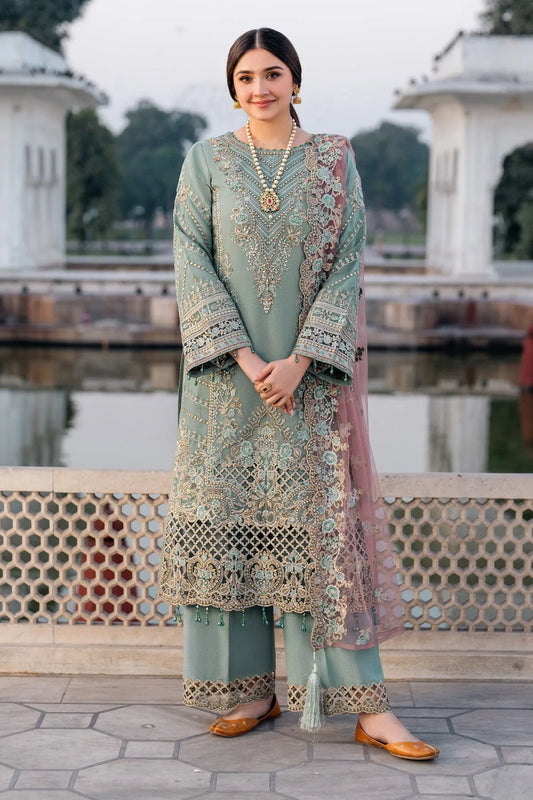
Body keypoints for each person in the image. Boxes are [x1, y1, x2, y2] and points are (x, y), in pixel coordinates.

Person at [158, 27, 439, 761]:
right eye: (246, 76)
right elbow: (189, 259)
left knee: (324, 544)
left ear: (295, 80)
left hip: (307, 390)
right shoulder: (207, 161)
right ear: (232, 87)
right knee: (229, 531)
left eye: (272, 73)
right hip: (226, 386)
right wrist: (249, 358)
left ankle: (364, 706)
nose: (260, 87)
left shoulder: (331, 162)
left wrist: (301, 360)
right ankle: (247, 691)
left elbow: (348, 263)